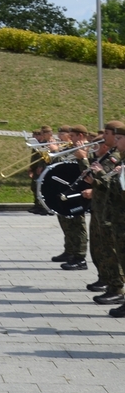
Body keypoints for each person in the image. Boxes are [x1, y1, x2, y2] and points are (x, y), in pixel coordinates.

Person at [82, 122, 124, 303]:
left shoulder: (115, 158)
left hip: (116, 216)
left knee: (114, 253)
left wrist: (99, 177)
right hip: (107, 212)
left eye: (119, 137)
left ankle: (116, 288)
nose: (115, 140)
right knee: (104, 250)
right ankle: (109, 282)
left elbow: (117, 189)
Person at [51, 125, 89, 270]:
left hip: (79, 193)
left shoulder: (88, 150)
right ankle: (70, 251)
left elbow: (86, 170)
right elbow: (58, 165)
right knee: (67, 223)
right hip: (67, 190)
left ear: (80, 136)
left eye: (72, 136)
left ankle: (80, 256)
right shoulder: (72, 149)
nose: (69, 139)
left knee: (77, 225)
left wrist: (82, 157)